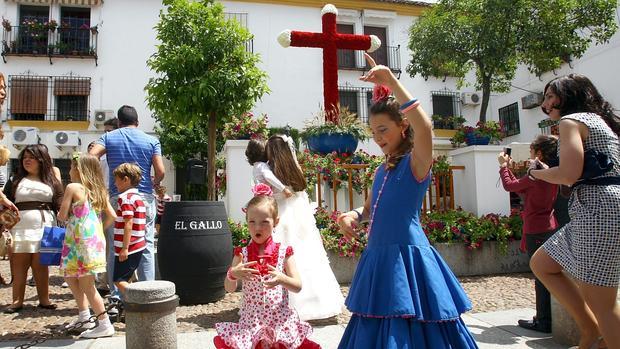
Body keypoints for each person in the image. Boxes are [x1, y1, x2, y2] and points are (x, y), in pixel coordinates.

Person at [336, 53, 478, 348]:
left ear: (403, 126)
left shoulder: (416, 163)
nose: (377, 137)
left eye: (383, 130)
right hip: (378, 258)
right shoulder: (379, 169)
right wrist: (351, 215)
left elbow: (425, 128)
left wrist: (392, 82)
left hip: (408, 260)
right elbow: (368, 210)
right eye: (373, 132)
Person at [529, 74, 620, 349]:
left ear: (570, 95)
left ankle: (603, 333)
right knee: (542, 263)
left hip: (598, 211)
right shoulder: (602, 123)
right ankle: (590, 329)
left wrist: (537, 174)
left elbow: (569, 174)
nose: (545, 104)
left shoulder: (571, 121)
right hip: (598, 208)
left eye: (549, 96)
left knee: (602, 301)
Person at [214, 184, 320, 349]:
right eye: (252, 222)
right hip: (252, 322)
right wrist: (232, 274)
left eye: (264, 222)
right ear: (246, 221)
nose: (257, 227)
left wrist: (282, 278)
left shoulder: (284, 252)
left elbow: (298, 286)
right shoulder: (241, 254)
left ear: (276, 222)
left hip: (279, 321)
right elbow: (229, 288)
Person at [89, 106, 164, 302]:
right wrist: (153, 184)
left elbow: (92, 155)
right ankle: (149, 294)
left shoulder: (109, 137)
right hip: (145, 197)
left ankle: (116, 296)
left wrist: (96, 181)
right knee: (145, 244)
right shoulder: (151, 140)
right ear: (137, 123)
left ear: (119, 122)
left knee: (116, 245)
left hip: (117, 198)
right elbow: (161, 170)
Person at [265, 135, 344, 321]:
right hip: (298, 215)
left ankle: (283, 305)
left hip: (280, 216)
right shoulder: (293, 170)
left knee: (283, 257)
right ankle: (317, 301)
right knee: (307, 256)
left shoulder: (269, 171)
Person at [497, 135, 559, 333]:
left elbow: (510, 186)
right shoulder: (550, 172)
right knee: (547, 275)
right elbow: (522, 187)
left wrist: (503, 167)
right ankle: (546, 317)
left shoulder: (536, 175)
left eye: (532, 151)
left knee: (540, 276)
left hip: (535, 229)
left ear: (539, 153)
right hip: (549, 226)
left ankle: (543, 320)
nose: (530, 155)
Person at [58, 153, 116, 338]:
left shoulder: (73, 187)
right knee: (73, 276)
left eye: (72, 166)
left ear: (78, 169)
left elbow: (61, 215)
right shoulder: (99, 190)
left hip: (77, 240)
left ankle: (104, 323)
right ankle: (84, 316)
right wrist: (98, 228)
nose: (70, 170)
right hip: (92, 241)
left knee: (85, 284)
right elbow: (112, 216)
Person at [1, 144, 64, 313]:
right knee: (19, 265)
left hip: (45, 227)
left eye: (31, 157)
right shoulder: (15, 179)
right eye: (24, 157)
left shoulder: (52, 180)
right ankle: (17, 301)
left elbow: (61, 203)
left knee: (41, 265)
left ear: (41, 160)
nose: (27, 160)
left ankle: (44, 299)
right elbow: (5, 202)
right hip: (20, 228)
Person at [112, 163, 147, 297]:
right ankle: (129, 306)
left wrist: (124, 248)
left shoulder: (125, 199)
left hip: (128, 246)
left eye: (116, 179)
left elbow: (129, 223)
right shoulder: (138, 198)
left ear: (126, 179)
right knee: (127, 278)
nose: (115, 183)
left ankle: (138, 300)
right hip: (138, 244)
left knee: (119, 280)